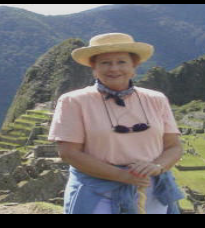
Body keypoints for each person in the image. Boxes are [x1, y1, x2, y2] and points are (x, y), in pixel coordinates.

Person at [52, 32, 184, 214]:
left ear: (134, 66)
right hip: (98, 190)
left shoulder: (155, 99)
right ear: (94, 67)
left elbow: (173, 147)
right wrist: (122, 176)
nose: (114, 69)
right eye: (105, 63)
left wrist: (157, 166)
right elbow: (69, 153)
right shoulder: (74, 101)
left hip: (150, 189)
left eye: (121, 62)